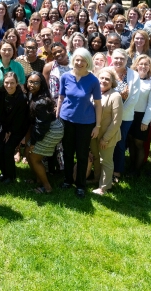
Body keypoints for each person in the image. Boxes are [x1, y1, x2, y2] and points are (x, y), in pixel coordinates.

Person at [57, 48, 103, 198]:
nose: (79, 62)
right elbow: (61, 98)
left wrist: (97, 126)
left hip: (86, 123)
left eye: (83, 60)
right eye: (77, 59)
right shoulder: (65, 77)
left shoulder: (93, 80)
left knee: (82, 155)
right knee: (68, 152)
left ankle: (81, 185)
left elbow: (98, 104)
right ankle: (68, 180)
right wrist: (57, 116)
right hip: (66, 120)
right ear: (73, 60)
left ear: (87, 62)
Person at [24, 72, 61, 194]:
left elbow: (42, 126)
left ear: (42, 84)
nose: (32, 85)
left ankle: (47, 186)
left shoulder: (42, 102)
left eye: (36, 82)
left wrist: (34, 142)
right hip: (42, 129)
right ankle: (38, 180)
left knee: (34, 157)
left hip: (51, 131)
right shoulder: (32, 95)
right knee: (27, 153)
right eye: (30, 82)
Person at [89, 67, 123, 196]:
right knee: (97, 158)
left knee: (106, 161)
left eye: (107, 79)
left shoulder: (115, 96)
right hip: (94, 133)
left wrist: (105, 138)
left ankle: (104, 186)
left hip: (108, 135)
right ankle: (97, 179)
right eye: (101, 78)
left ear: (112, 82)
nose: (103, 81)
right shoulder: (94, 92)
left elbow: (116, 121)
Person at [124, 54, 151, 176]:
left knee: (138, 143)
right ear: (136, 65)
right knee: (130, 140)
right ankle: (131, 165)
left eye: (146, 64)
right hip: (129, 113)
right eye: (141, 64)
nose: (143, 66)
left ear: (150, 66)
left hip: (142, 116)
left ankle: (137, 170)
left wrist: (145, 121)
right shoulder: (131, 78)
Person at [110, 48, 140, 183]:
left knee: (119, 143)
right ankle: (104, 169)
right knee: (106, 142)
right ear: (111, 58)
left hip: (125, 116)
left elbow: (133, 98)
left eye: (122, 59)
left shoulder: (134, 75)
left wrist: (118, 115)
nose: (118, 61)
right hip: (107, 115)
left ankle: (117, 171)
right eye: (116, 58)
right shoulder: (107, 71)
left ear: (127, 60)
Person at [0, 72, 28, 184]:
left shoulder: (22, 98)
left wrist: (10, 132)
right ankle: (3, 171)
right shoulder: (1, 92)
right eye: (6, 83)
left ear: (17, 83)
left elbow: (20, 119)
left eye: (12, 83)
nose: (9, 85)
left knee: (8, 149)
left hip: (18, 128)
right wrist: (5, 130)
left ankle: (11, 175)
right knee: (0, 147)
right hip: (5, 125)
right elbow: (2, 112)